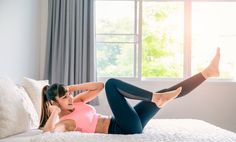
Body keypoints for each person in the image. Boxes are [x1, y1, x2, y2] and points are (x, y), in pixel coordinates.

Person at [40, 48, 220, 134]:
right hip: (122, 128)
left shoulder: (77, 102)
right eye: (65, 98)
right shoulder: (67, 122)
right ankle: (156, 98)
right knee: (112, 84)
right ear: (54, 103)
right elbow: (49, 133)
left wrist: (71, 88)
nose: (70, 98)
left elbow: (98, 87)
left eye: (69, 94)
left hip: (125, 122)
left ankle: (206, 73)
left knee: (167, 92)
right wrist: (54, 113)